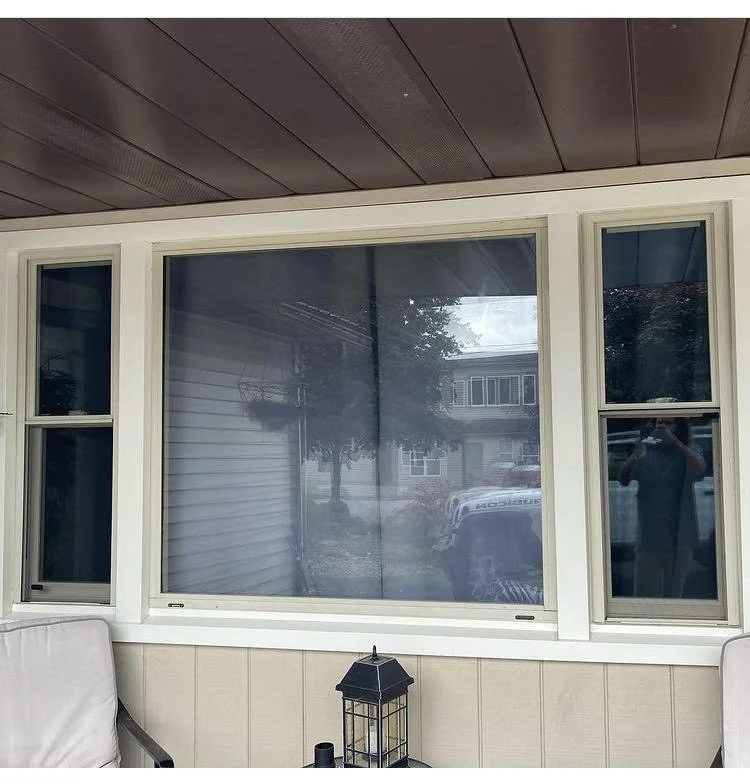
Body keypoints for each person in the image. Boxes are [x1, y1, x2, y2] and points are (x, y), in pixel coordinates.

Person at [617, 417, 706, 598]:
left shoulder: (688, 450)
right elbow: (623, 479)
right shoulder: (646, 452)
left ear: (678, 428)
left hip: (680, 540)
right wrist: (637, 453)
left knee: (673, 598)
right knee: (644, 598)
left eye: (667, 423)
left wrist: (674, 443)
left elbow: (700, 470)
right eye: (658, 423)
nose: (661, 427)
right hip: (649, 540)